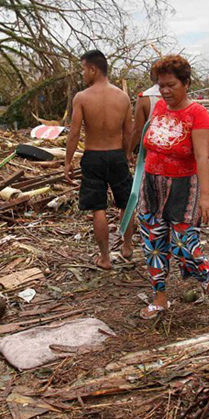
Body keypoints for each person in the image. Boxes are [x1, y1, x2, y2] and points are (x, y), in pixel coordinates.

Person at [138, 55, 209, 319]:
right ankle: (160, 298)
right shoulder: (159, 107)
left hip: (184, 187)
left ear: (186, 83)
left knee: (184, 245)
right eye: (161, 85)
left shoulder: (198, 114)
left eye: (171, 85)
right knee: (154, 244)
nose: (165, 90)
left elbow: (203, 157)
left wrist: (206, 197)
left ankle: (204, 270)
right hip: (152, 185)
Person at [65, 50, 135, 270]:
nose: (83, 74)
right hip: (116, 155)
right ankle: (127, 246)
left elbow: (74, 133)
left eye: (84, 69)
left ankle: (105, 258)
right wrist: (126, 154)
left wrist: (67, 162)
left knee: (98, 209)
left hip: (93, 157)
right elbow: (128, 132)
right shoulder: (122, 97)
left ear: (93, 69)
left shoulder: (82, 98)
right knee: (126, 203)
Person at [129, 65, 162, 159]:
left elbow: (138, 130)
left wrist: (128, 152)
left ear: (151, 75)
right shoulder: (179, 98)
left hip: (150, 152)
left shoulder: (145, 97)